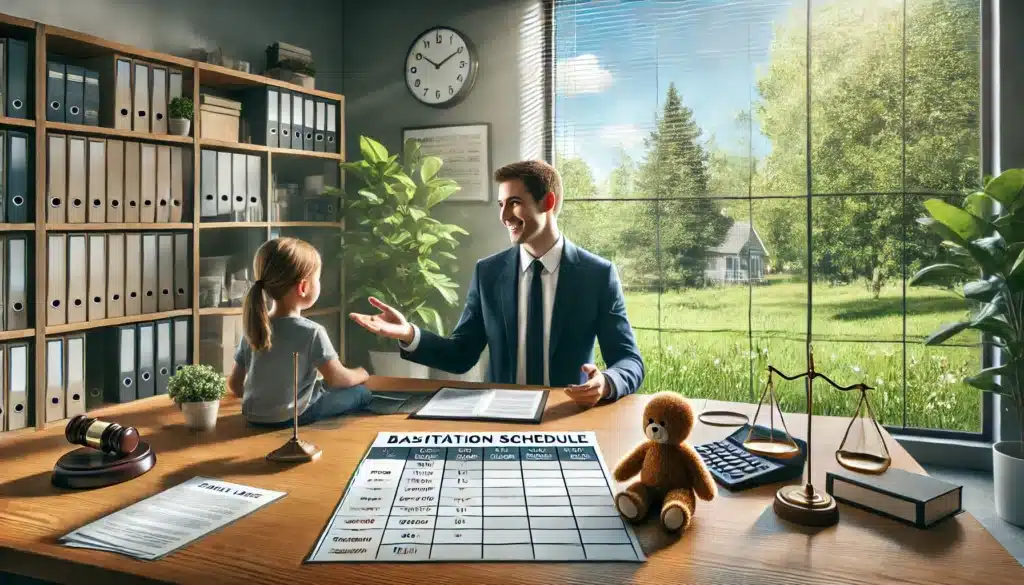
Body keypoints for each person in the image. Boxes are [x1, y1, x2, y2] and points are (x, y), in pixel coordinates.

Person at [350, 160, 645, 407]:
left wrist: (606, 382)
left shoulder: (597, 275)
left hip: (566, 414)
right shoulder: (488, 273)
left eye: (514, 203)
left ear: (548, 202)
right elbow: (461, 354)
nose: (504, 216)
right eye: (501, 204)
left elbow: (629, 360)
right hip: (501, 413)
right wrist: (408, 334)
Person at [228, 237, 371, 426]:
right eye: (317, 278)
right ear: (303, 287)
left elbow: (235, 385)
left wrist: (266, 400)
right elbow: (337, 379)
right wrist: (362, 373)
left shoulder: (254, 326)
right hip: (292, 417)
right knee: (361, 393)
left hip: (253, 416)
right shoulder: (312, 332)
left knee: (319, 386)